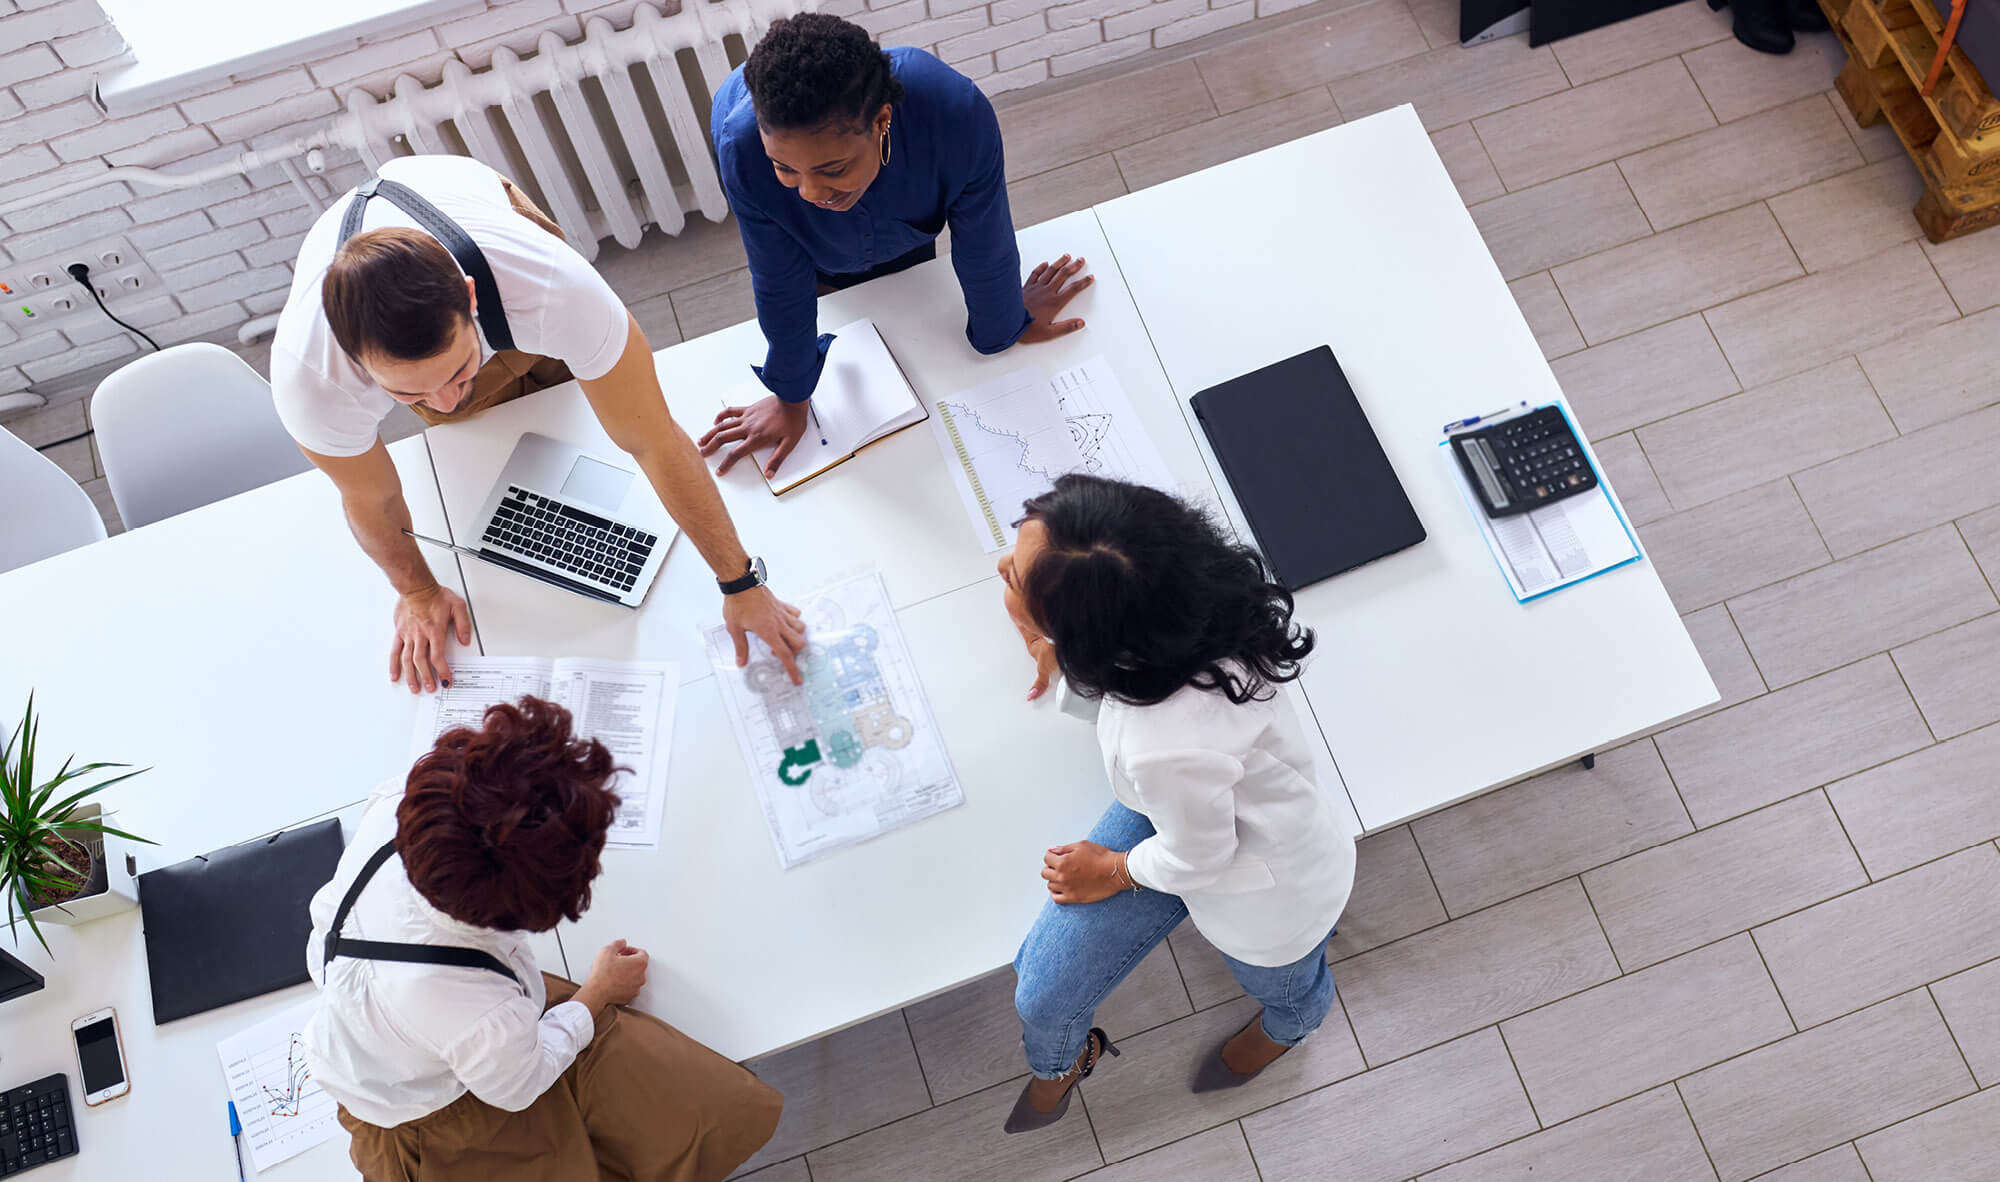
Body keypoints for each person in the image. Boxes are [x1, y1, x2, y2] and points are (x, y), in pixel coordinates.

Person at [271, 154, 805, 695]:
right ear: (354, 361)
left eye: (457, 371)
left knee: (590, 397)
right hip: (439, 312)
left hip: (472, 208)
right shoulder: (309, 377)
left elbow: (652, 438)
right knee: (480, 425)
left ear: (471, 297)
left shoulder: (548, 283)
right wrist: (417, 592)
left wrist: (740, 584)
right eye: (408, 393)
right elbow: (372, 500)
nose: (443, 401)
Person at [995, 475, 1356, 1134]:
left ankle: (1293, 1025)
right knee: (1042, 984)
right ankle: (1062, 1061)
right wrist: (1050, 644)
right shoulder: (1191, 605)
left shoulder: (1165, 747)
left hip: (1259, 885)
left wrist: (1113, 870)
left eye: (1014, 580)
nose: (999, 570)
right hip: (1194, 805)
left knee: (1283, 980)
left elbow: (1204, 852)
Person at [303, 696, 782, 1180]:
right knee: (698, 1117)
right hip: (438, 1118)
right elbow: (518, 1085)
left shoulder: (396, 806)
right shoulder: (476, 1010)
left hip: (401, 1045)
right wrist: (596, 995)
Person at [700, 13, 1095, 478]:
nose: (809, 192)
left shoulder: (955, 114)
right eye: (785, 169)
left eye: (831, 169)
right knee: (836, 290)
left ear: (882, 120)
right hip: (812, 258)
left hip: (908, 238)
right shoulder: (742, 148)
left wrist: (1006, 322)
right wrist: (792, 395)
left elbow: (983, 237)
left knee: (906, 291)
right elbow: (778, 280)